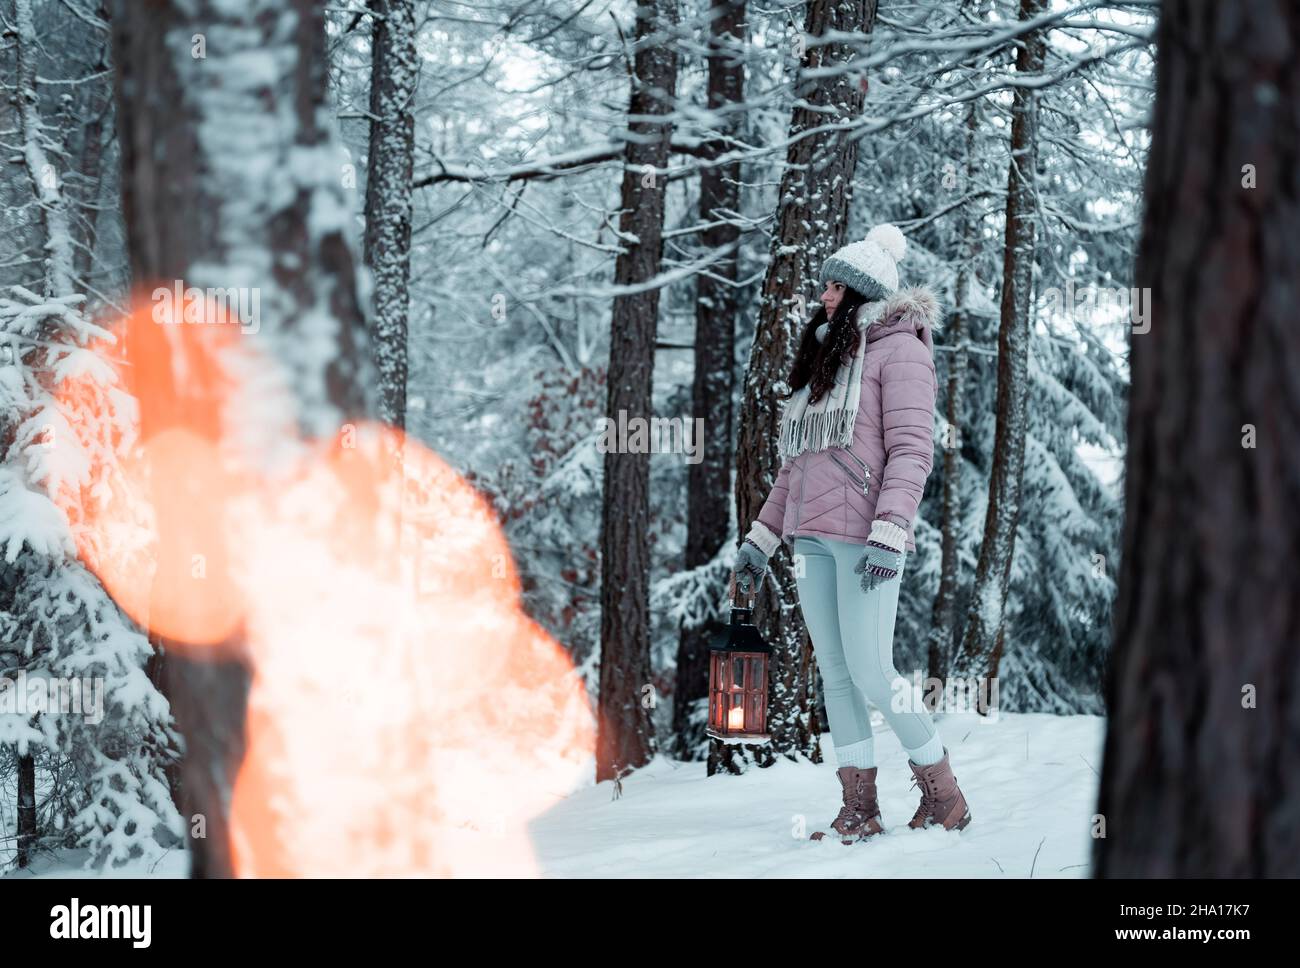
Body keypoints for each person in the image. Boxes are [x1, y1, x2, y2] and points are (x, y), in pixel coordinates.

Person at [729, 223, 971, 844]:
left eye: (837, 287)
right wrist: (760, 540)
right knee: (834, 674)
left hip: (866, 539)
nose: (826, 296)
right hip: (811, 539)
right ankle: (858, 807)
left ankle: (944, 795)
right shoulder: (826, 361)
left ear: (864, 293)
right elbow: (797, 464)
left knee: (872, 670)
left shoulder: (902, 352)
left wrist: (891, 531)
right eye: (827, 285)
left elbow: (913, 451)